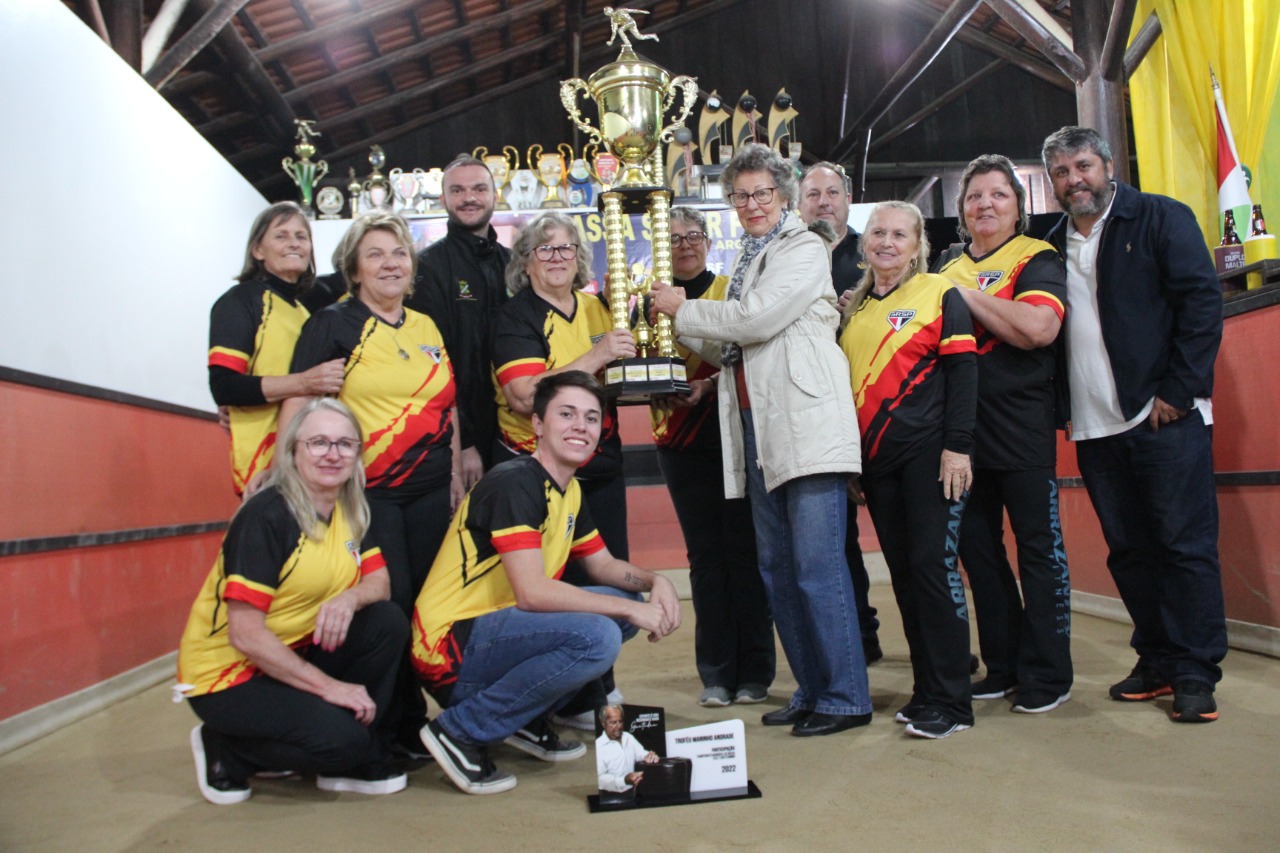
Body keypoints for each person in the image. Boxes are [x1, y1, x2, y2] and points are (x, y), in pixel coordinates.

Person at [651, 143, 871, 738]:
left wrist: (683, 307)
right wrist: (666, 331)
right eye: (741, 196)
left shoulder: (802, 247)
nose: (751, 204)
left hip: (805, 427)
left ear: (785, 197)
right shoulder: (751, 257)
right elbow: (730, 348)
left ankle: (847, 695)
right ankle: (812, 689)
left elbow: (752, 321)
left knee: (817, 568)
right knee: (776, 568)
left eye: (762, 194)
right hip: (758, 432)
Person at [411, 372, 681, 794]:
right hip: (450, 650)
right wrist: (631, 608)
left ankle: (522, 718)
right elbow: (533, 593)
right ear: (538, 423)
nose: (581, 426)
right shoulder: (515, 482)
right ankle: (461, 730)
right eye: (567, 414)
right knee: (598, 636)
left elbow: (603, 565)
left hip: (494, 631)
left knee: (621, 597)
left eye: (592, 418)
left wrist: (654, 581)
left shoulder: (567, 488)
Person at [1041, 126, 1226, 723]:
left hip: (1162, 417)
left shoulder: (1160, 217)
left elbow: (1201, 302)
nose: (1076, 180)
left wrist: (1180, 389)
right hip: (1094, 427)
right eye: (1063, 172)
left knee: (1184, 547)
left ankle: (1196, 671)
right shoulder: (1047, 242)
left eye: (1084, 165)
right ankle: (1158, 660)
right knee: (1130, 551)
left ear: (1109, 165)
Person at [284, 212, 463, 756]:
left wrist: (454, 474)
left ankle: (438, 719)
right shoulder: (333, 323)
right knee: (393, 607)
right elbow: (300, 402)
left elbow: (446, 408)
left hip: (433, 491)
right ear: (354, 270)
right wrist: (281, 478)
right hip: (369, 495)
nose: (391, 264)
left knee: (435, 607)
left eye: (400, 254)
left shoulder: (427, 326)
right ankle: (393, 727)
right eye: (376, 255)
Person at [177, 398, 409, 805]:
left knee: (386, 621)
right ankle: (227, 748)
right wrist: (331, 687)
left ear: (357, 453)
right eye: (318, 442)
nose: (332, 454)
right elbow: (245, 635)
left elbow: (381, 583)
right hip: (230, 674)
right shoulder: (266, 517)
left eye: (345, 444)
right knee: (343, 742)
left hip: (294, 649)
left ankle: (339, 740)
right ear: (293, 452)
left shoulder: (350, 508)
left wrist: (349, 598)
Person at [937, 154, 1073, 713]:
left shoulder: (1036, 257)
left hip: (1021, 428)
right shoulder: (943, 267)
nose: (984, 205)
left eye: (998, 195)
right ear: (961, 210)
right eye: (974, 197)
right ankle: (1005, 665)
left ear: (1019, 208)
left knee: (1039, 553)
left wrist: (965, 297)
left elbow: (1039, 328)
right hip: (959, 439)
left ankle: (1049, 674)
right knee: (979, 554)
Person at [838, 201, 978, 739]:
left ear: (918, 245)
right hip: (876, 465)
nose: (887, 242)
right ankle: (927, 690)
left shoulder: (940, 294)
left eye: (900, 234)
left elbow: (964, 375)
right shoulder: (854, 309)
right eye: (878, 232)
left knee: (932, 571)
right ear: (864, 242)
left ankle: (953, 701)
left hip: (931, 458)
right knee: (904, 577)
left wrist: (958, 448)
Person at [493, 212, 634, 728]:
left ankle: (600, 685)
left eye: (567, 249)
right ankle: (561, 698)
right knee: (557, 587)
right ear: (526, 261)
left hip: (601, 464)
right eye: (546, 249)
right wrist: (596, 355)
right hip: (540, 474)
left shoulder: (598, 306)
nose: (558, 258)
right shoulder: (515, 316)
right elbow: (523, 395)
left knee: (612, 583)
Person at [653, 207, 775, 708]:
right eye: (675, 237)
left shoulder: (731, 289)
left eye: (694, 236)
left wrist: (708, 385)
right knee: (705, 558)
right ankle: (717, 673)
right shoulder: (650, 301)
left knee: (746, 553)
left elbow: (752, 355)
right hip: (678, 441)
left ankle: (756, 673)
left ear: (707, 241)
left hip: (733, 435)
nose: (685, 245)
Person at [798, 161, 882, 663]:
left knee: (905, 537)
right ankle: (858, 640)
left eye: (833, 192)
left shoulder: (873, 255)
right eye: (814, 194)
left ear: (849, 199)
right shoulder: (789, 256)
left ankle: (938, 645)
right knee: (834, 542)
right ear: (798, 202)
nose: (824, 201)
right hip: (814, 418)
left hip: (872, 412)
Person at [207, 202, 345, 495]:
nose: (293, 242)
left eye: (301, 236)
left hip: (309, 457)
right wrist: (303, 382)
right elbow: (224, 387)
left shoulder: (302, 311)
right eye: (281, 236)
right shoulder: (240, 301)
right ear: (257, 250)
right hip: (263, 462)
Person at [407, 154, 511, 489]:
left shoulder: (514, 264)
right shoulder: (428, 268)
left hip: (516, 426)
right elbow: (434, 364)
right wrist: (463, 443)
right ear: (444, 199)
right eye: (458, 190)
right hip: (460, 434)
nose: (469, 197)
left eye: (479, 188)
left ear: (495, 195)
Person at [596, 704, 659, 793]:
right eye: (613, 722)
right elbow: (599, 779)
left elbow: (641, 754)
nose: (618, 726)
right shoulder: (599, 746)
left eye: (620, 721)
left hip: (634, 792)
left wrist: (650, 755)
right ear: (603, 723)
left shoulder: (628, 737)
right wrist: (624, 780)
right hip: (610, 796)